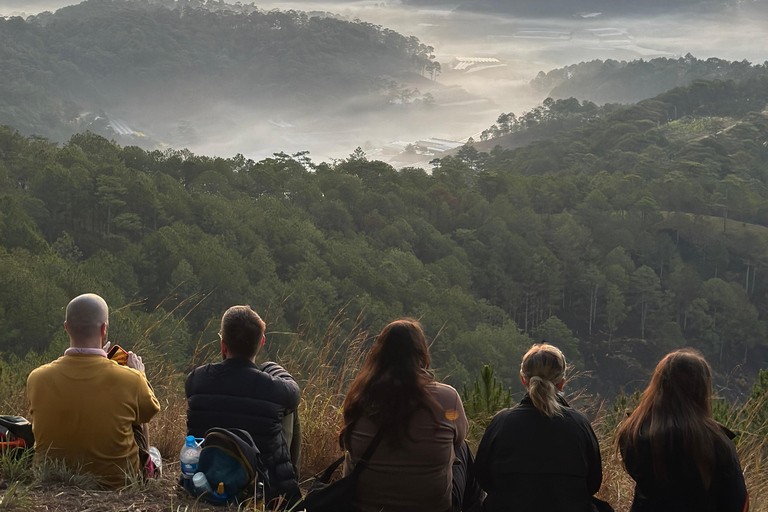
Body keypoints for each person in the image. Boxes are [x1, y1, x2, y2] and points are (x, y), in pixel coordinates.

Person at [340, 318, 482, 512]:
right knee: (462, 448)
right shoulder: (447, 398)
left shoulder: (359, 397)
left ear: (379, 355)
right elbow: (458, 438)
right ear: (421, 354)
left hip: (365, 507)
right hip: (432, 508)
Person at [27, 293, 160, 488]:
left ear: (66, 328)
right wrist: (141, 375)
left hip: (48, 477)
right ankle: (147, 473)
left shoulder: (37, 378)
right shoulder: (131, 379)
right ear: (104, 329)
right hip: (118, 481)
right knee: (140, 422)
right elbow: (148, 413)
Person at [185, 305, 301, 507]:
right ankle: (291, 477)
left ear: (223, 345)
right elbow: (294, 393)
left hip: (205, 479)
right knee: (289, 410)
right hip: (258, 485)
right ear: (261, 343)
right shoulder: (275, 389)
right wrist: (272, 368)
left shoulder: (196, 380)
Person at [474, 343, 606, 512]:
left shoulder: (502, 422)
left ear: (523, 379)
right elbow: (593, 483)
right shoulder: (579, 424)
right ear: (562, 383)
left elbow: (482, 476)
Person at [617, 349, 749, 512]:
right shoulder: (718, 441)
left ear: (659, 385)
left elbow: (635, 472)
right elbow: (738, 502)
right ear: (702, 389)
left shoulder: (634, 432)